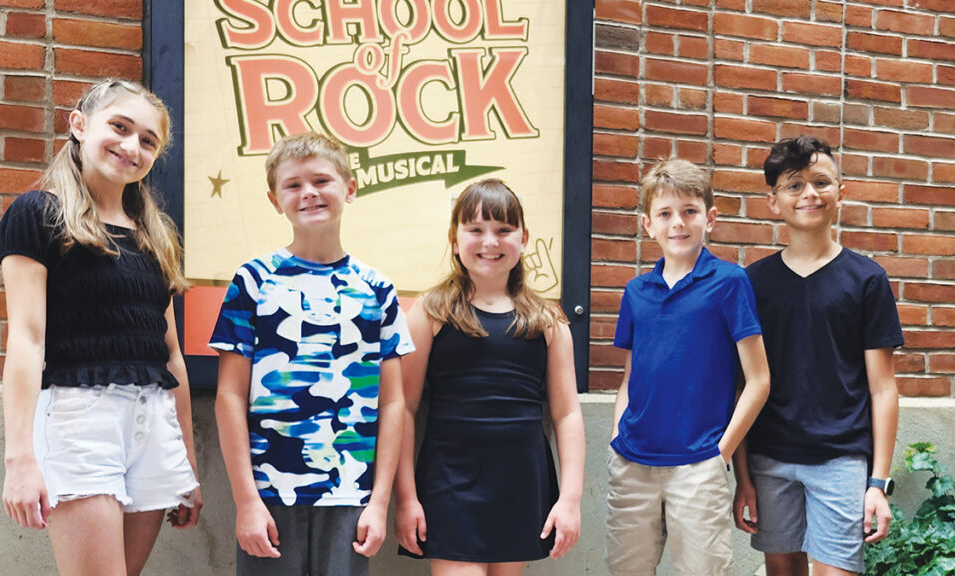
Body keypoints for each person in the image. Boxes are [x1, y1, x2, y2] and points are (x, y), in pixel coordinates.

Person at [0, 79, 202, 576]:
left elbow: (171, 357)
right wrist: (19, 459)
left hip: (152, 423)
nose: (132, 146)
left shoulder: (155, 236)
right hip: (79, 419)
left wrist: (185, 462)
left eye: (148, 140)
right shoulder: (39, 214)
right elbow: (26, 340)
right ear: (79, 125)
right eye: (120, 127)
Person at [210, 131, 413, 576]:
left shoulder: (377, 289)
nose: (309, 193)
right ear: (274, 198)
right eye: (293, 184)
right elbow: (229, 396)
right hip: (269, 495)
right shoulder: (254, 281)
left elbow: (393, 402)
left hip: (350, 495)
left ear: (350, 188)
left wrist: (379, 502)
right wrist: (246, 501)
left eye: (322, 180)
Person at [393, 178, 586, 576]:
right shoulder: (431, 312)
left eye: (503, 230)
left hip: (520, 483)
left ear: (524, 238)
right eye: (476, 230)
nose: (490, 242)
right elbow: (404, 411)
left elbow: (567, 414)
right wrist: (406, 498)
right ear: (454, 239)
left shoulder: (548, 321)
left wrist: (570, 499)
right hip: (450, 485)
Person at [733, 135, 903, 576]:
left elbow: (883, 388)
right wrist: (744, 475)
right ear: (774, 202)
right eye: (794, 185)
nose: (809, 193)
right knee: (782, 569)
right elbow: (741, 384)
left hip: (841, 460)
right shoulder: (752, 283)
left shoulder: (867, 280)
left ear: (840, 193)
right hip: (770, 458)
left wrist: (877, 483)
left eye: (821, 182)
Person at [607, 158, 770, 575]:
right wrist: (616, 434)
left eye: (689, 212)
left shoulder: (730, 282)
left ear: (709, 218)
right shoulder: (636, 292)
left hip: (699, 464)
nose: (677, 223)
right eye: (665, 214)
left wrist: (721, 453)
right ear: (648, 225)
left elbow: (758, 380)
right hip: (633, 463)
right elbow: (630, 378)